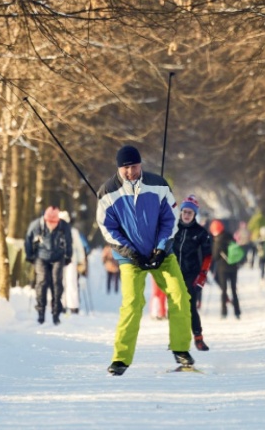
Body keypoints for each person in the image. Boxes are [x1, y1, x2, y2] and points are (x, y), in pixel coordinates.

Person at [97, 145, 193, 376]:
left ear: (141, 164)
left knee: (179, 295)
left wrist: (161, 249)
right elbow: (107, 228)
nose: (130, 171)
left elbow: (170, 220)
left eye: (134, 166)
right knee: (132, 304)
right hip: (130, 258)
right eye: (125, 168)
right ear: (119, 169)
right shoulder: (107, 192)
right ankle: (121, 359)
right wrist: (130, 252)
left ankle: (181, 349)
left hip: (161, 254)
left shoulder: (158, 184)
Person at [172, 195, 212, 351]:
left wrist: (202, 275)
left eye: (190, 212)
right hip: (174, 273)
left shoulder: (200, 232)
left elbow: (208, 255)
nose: (186, 215)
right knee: (176, 308)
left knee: (190, 307)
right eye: (184, 212)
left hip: (192, 274)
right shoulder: (174, 228)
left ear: (195, 214)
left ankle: (198, 338)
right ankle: (179, 340)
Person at [24, 206, 73, 325]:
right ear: (45, 219)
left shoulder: (64, 226)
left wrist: (68, 256)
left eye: (54, 222)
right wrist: (29, 255)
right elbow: (28, 239)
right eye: (49, 221)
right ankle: (41, 312)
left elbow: (69, 241)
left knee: (57, 283)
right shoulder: (37, 225)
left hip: (58, 256)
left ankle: (56, 313)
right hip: (41, 257)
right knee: (42, 281)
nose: (51, 224)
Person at [209, 219, 242, 319]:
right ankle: (237, 312)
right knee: (233, 289)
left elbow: (215, 256)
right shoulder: (230, 236)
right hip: (233, 267)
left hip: (223, 268)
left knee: (224, 290)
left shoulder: (217, 241)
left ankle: (224, 312)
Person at [59, 210, 87, 315]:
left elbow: (79, 248)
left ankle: (69, 306)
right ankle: (67, 305)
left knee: (68, 283)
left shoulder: (71, 231)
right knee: (66, 283)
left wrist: (81, 261)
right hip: (65, 260)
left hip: (67, 260)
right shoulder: (59, 231)